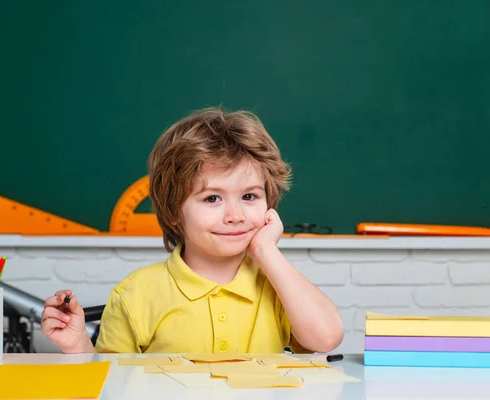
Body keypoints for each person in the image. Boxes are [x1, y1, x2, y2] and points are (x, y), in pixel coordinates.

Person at [41, 108, 344, 354]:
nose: (235, 216)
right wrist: (78, 346)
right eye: (212, 198)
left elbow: (326, 339)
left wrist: (266, 251)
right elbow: (109, 382)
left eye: (249, 197)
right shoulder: (135, 294)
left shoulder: (278, 285)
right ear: (174, 212)